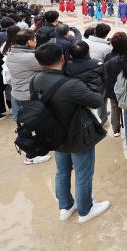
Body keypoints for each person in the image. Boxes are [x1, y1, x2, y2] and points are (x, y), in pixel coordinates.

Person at [32, 43, 109, 223]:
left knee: (62, 172)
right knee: (83, 174)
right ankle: (85, 210)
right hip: (77, 134)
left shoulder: (35, 80)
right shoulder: (71, 84)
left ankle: (65, 207)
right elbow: (97, 101)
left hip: (54, 133)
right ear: (62, 58)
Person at [5, 29, 49, 164]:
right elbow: (49, 65)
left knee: (25, 124)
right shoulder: (29, 58)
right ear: (29, 42)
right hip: (28, 95)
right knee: (33, 124)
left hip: (17, 93)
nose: (36, 41)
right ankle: (32, 155)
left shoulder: (12, 53)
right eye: (34, 39)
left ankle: (32, 151)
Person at [104, 31, 127, 136]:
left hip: (112, 86)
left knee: (114, 107)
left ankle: (116, 130)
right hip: (125, 87)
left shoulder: (108, 56)